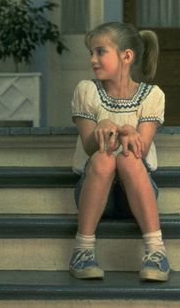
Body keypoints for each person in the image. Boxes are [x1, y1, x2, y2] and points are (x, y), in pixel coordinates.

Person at [69, 22, 169, 282]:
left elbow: (141, 149)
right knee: (103, 158)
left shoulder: (152, 95)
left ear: (127, 56)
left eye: (100, 52)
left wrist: (127, 130)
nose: (93, 59)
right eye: (91, 53)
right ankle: (83, 250)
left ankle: (156, 251)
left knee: (129, 158)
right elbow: (89, 146)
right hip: (94, 194)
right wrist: (102, 125)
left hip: (135, 193)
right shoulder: (87, 90)